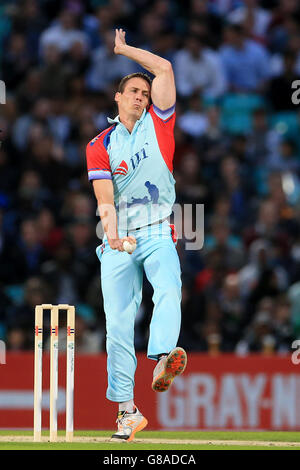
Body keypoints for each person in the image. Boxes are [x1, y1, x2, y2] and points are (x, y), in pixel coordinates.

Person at [86, 29, 187, 442]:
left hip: (157, 229)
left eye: (145, 91)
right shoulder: (100, 144)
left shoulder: (159, 126)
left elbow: (163, 67)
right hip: (117, 238)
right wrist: (113, 236)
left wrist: (125, 50)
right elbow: (104, 198)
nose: (141, 96)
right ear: (118, 96)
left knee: (168, 285)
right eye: (133, 90)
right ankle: (127, 413)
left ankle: (163, 358)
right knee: (118, 324)